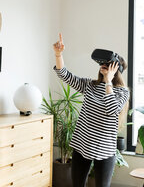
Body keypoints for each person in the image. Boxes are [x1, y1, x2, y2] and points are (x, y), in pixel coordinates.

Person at [53, 33, 130, 187]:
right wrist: (58, 54)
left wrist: (108, 80)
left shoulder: (122, 92)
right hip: (82, 145)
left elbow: (111, 109)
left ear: (116, 70)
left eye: (109, 64)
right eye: (103, 64)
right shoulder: (91, 86)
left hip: (105, 150)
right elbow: (65, 75)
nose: (104, 66)